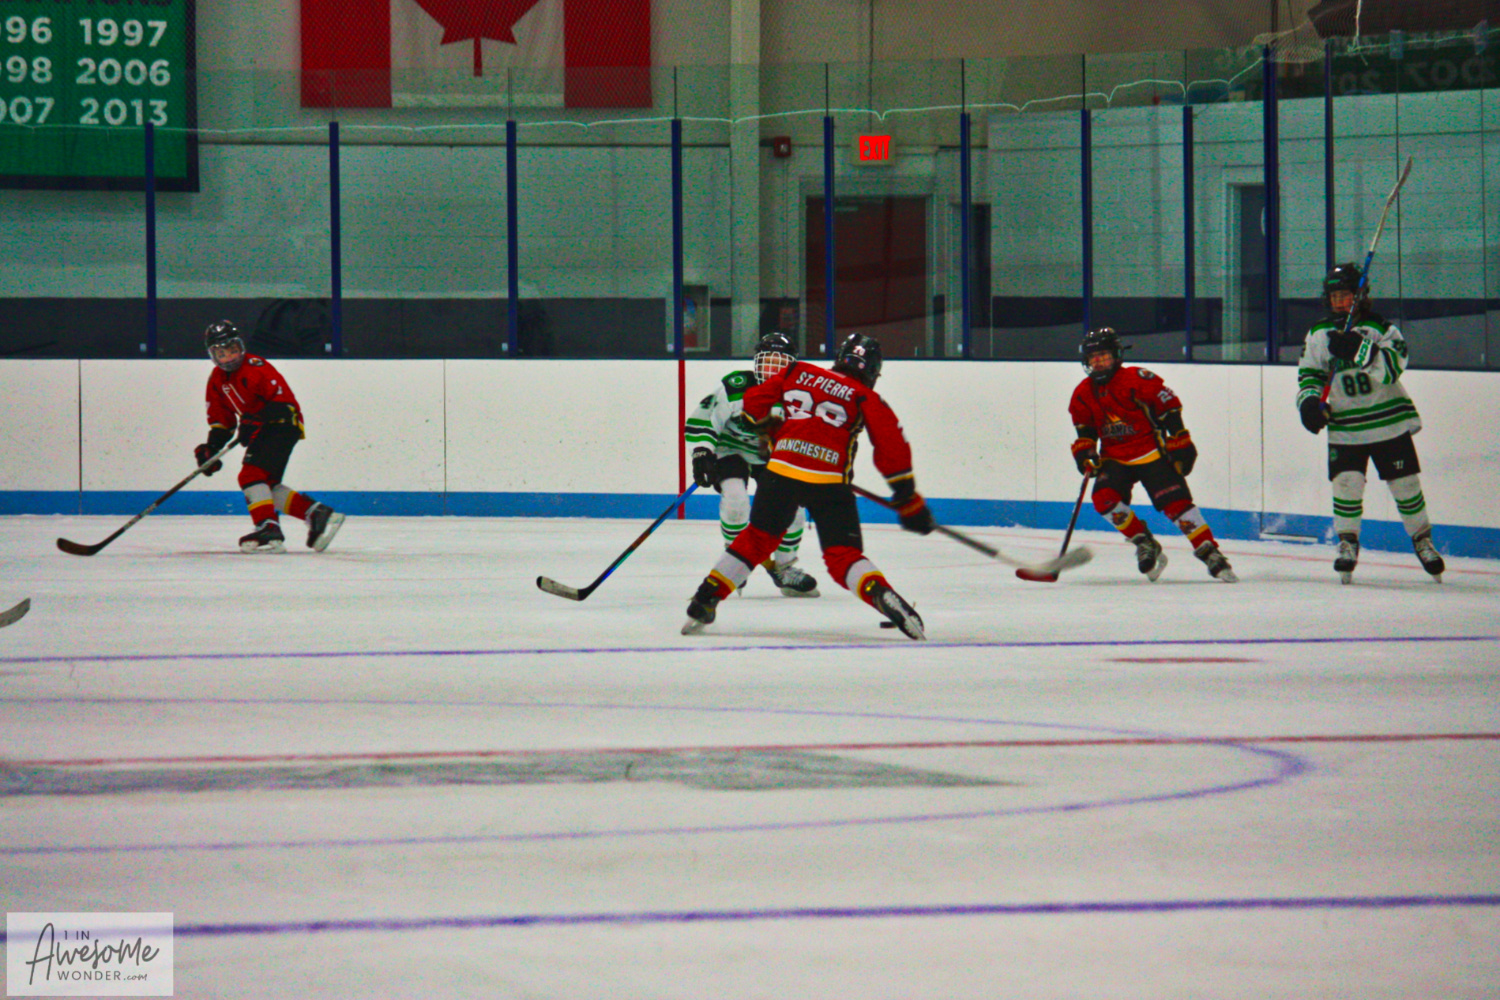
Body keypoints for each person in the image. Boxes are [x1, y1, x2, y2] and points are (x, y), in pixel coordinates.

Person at [682, 332, 935, 639]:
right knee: (843, 555)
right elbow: (891, 447)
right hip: (829, 480)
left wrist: (775, 432)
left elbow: (754, 402)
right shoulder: (866, 396)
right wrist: (908, 499)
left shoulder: (798, 371)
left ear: (839, 358)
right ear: (872, 371)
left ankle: (705, 598)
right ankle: (878, 590)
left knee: (758, 538)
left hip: (781, 470)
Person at [1296, 263, 1444, 583]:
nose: (1340, 302)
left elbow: (1392, 369)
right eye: (1334, 296)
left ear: (1360, 296)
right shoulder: (1319, 333)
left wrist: (1361, 349)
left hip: (1388, 422)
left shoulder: (1381, 329)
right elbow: (1310, 375)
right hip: (1346, 427)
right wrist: (1308, 403)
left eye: (1346, 295)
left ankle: (1422, 539)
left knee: (1405, 485)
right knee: (1346, 484)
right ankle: (1347, 542)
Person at [1069, 327, 1237, 583]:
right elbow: (1086, 431)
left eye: (1104, 355)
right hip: (1115, 458)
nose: (1098, 362)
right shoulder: (1083, 393)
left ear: (1116, 356)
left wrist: (1179, 438)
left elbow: (1168, 407)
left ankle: (1209, 551)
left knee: (1177, 505)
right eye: (1093, 357)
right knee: (1103, 499)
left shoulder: (1136, 379)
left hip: (1152, 453)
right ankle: (1144, 541)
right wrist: (1086, 453)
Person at [683, 332, 819, 597]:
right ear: (756, 362)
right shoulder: (736, 385)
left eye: (779, 363)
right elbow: (706, 418)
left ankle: (785, 568)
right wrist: (702, 452)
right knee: (735, 498)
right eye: (767, 361)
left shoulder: (800, 395)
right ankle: (735, 563)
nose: (772, 369)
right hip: (730, 449)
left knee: (794, 508)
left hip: (771, 455)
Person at [195, 320, 345, 554]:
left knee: (250, 475)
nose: (229, 357)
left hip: (283, 425)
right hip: (261, 430)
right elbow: (222, 422)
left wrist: (254, 417)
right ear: (213, 355)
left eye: (232, 350)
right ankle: (316, 513)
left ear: (241, 346)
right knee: (263, 485)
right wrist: (211, 449)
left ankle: (267, 527)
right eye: (221, 353)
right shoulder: (216, 380)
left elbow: (285, 406)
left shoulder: (257, 367)